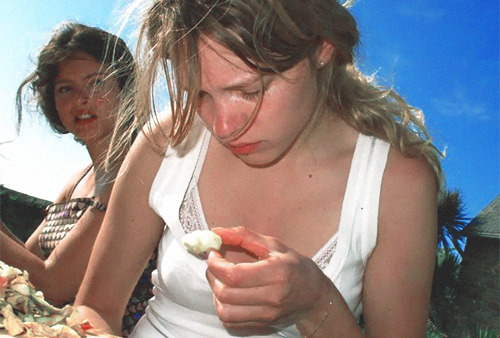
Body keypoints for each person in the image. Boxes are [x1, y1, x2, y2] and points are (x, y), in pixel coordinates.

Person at [75, 0, 444, 337]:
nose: (223, 127)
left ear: (322, 48)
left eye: (250, 92)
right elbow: (94, 308)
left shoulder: (397, 182)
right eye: (198, 93)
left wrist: (316, 304)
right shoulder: (167, 140)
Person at [0, 22, 155, 336]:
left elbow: (52, 285)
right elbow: (27, 266)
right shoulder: (77, 179)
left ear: (125, 88)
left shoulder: (135, 168)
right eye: (65, 88)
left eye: (97, 83)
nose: (81, 98)